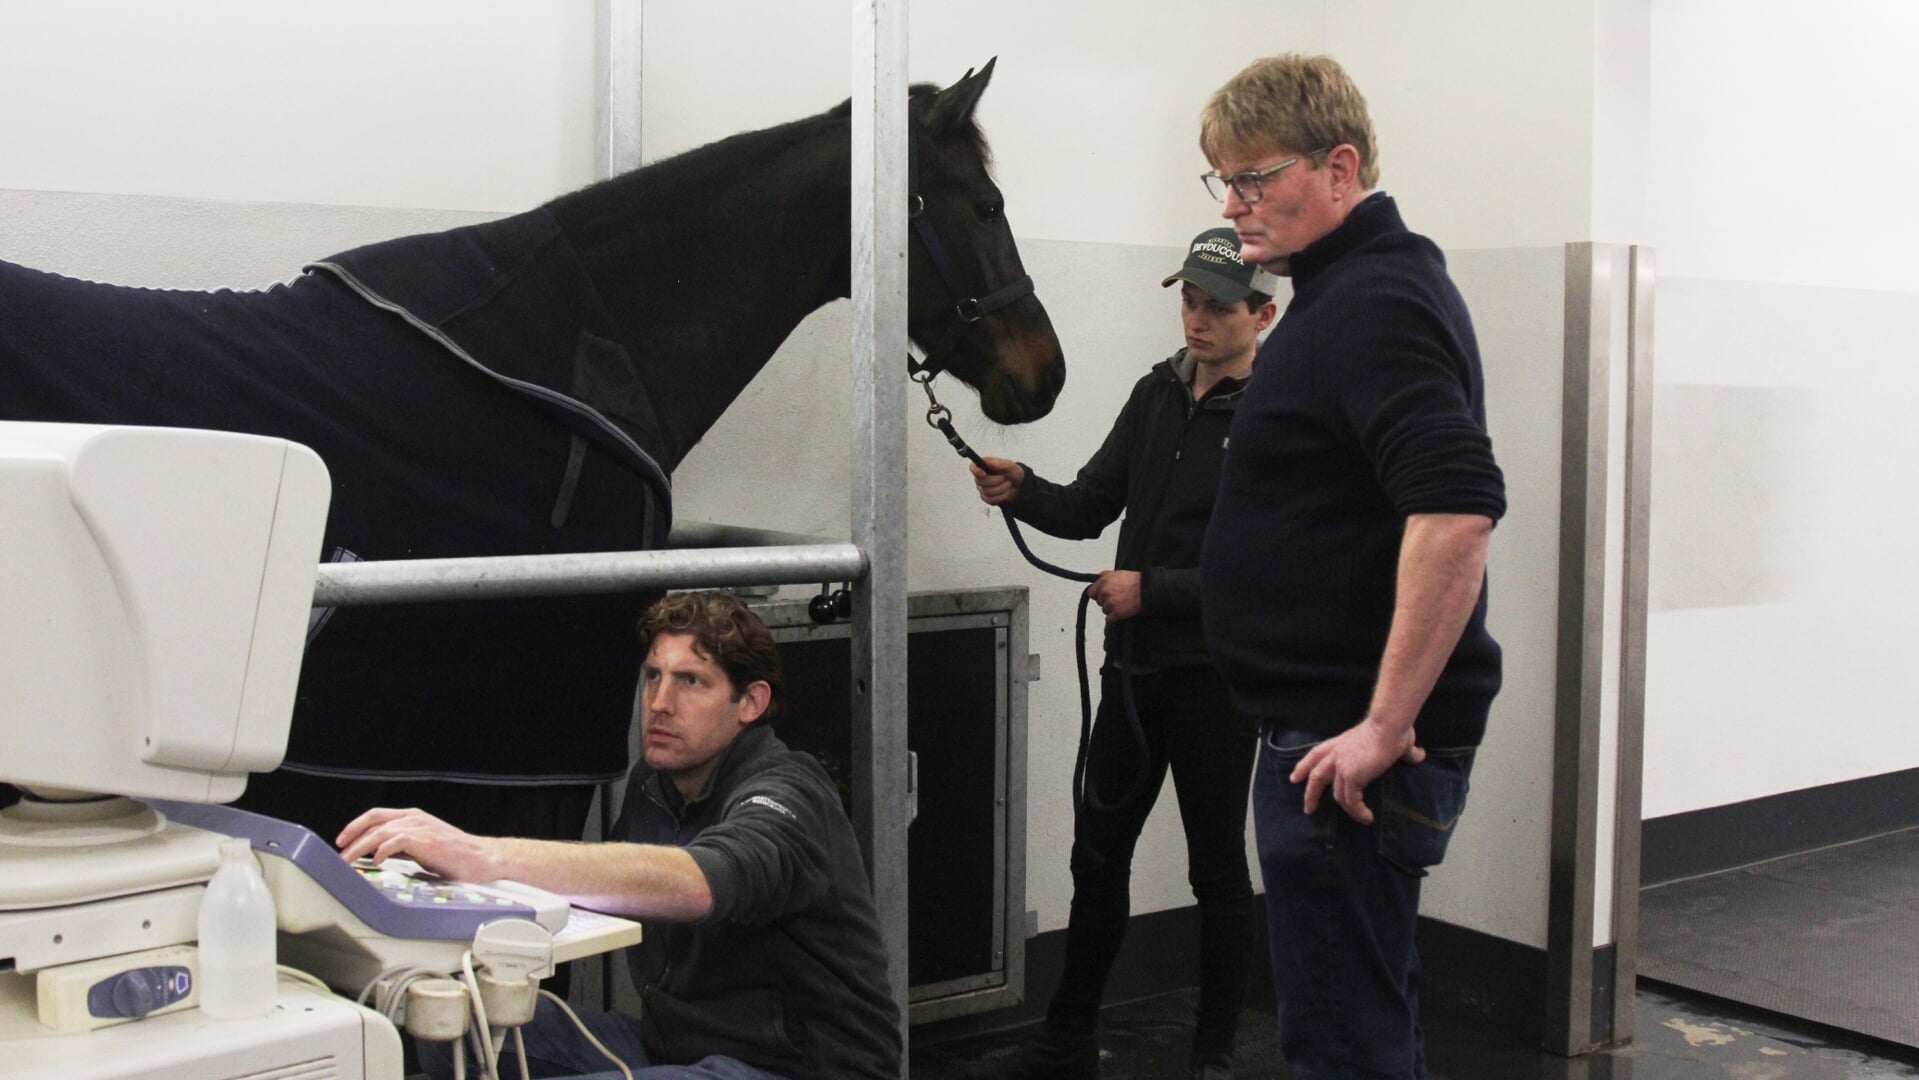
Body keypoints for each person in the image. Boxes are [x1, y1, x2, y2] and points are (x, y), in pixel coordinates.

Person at [1195, 54, 1507, 1080]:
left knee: (1343, 1047)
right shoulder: (1342, 291)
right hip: (1320, 732)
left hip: (1345, 752)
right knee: (1358, 1022)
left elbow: (1455, 509)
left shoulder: (1373, 300)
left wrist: (1379, 725)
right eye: (1221, 182)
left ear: (1338, 168)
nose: (1234, 206)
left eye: (1253, 179)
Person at [336, 591, 900, 1080]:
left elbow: (703, 880)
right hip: (675, 1047)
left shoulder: (789, 791)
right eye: (653, 675)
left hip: (793, 1069)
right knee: (460, 1026)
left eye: (691, 682)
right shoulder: (654, 783)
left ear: (750, 703)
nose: (659, 702)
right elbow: (612, 881)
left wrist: (483, 855)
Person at [970, 229, 1277, 1080]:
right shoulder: (1155, 395)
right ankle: (1065, 1040)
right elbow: (1090, 505)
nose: (1198, 318)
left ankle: (1212, 1052)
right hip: (1134, 675)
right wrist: (1022, 487)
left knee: (1216, 868)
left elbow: (1265, 572)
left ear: (1264, 313)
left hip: (1214, 681)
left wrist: (1155, 590)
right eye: (1188, 299)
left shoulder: (1276, 417)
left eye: (1218, 305)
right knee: (1096, 857)